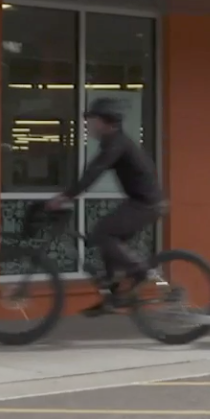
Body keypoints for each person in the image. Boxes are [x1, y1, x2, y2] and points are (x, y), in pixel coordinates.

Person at [43, 99, 166, 315]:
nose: (89, 124)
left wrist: (65, 196)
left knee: (103, 232)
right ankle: (113, 298)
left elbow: (95, 171)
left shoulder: (116, 143)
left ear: (107, 122)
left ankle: (140, 270)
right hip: (143, 201)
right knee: (108, 243)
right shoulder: (114, 141)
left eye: (92, 119)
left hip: (146, 204)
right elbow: (94, 168)